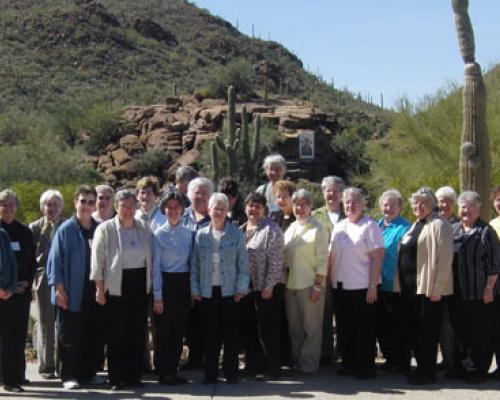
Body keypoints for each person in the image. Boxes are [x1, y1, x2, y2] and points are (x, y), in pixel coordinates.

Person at [91, 189, 152, 390]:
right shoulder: (105, 229)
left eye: (130, 206)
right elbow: (97, 262)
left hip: (140, 285)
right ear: (116, 207)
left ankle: (133, 377)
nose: (127, 210)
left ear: (136, 207)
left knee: (136, 332)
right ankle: (116, 378)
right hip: (116, 285)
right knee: (116, 334)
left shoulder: (143, 227)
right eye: (123, 206)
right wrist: (99, 289)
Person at [46, 185, 104, 389]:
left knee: (91, 333)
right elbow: (54, 263)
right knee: (69, 336)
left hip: (93, 292)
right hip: (70, 292)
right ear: (75, 203)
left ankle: (88, 373)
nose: (86, 206)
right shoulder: (65, 229)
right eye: (83, 201)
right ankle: (68, 375)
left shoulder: (99, 228)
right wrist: (60, 290)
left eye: (90, 202)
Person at [395, 187, 454, 385]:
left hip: (429, 290)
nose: (418, 206)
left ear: (432, 205)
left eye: (423, 203)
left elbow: (445, 260)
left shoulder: (440, 225)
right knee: (413, 330)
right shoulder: (415, 225)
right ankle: (421, 367)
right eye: (415, 203)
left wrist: (437, 289)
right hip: (410, 289)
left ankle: (427, 372)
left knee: (427, 332)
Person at [191, 193, 249, 384]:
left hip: (230, 292)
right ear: (209, 210)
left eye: (222, 209)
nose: (218, 212)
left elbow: (243, 263)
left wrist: (242, 287)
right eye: (215, 208)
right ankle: (211, 374)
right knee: (210, 336)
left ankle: (231, 373)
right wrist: (195, 289)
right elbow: (195, 265)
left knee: (230, 335)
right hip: (207, 293)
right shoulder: (200, 235)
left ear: (227, 212)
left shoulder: (236, 234)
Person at [330, 188, 384, 379]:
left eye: (354, 202)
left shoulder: (369, 226)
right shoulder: (339, 226)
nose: (350, 206)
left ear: (362, 205)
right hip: (340, 285)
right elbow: (332, 256)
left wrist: (372, 286)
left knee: (364, 328)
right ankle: (349, 363)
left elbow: (378, 257)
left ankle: (366, 367)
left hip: (362, 286)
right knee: (345, 327)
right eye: (347, 203)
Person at [448, 191, 500, 383]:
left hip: (480, 292)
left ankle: (477, 370)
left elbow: (495, 264)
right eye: (463, 206)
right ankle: (461, 366)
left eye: (471, 207)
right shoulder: (454, 230)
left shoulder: (486, 231)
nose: (466, 210)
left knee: (481, 332)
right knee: (460, 331)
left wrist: (489, 288)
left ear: (478, 209)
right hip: (457, 292)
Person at [240, 192, 285, 378]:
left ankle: (272, 367)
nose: (253, 209)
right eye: (250, 205)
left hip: (267, 288)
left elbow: (276, 261)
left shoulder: (272, 229)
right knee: (249, 328)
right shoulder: (240, 229)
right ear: (245, 208)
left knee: (268, 330)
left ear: (264, 209)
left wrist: (268, 287)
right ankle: (253, 365)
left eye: (257, 206)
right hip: (246, 288)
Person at [284, 189, 329, 374]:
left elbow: (322, 260)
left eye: (303, 204)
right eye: (296, 204)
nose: (299, 208)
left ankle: (309, 365)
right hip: (290, 285)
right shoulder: (291, 228)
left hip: (310, 285)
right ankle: (297, 362)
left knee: (311, 328)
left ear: (311, 206)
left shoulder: (318, 228)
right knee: (294, 327)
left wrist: (318, 285)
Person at [153, 190, 193, 385]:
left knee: (178, 331)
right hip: (165, 284)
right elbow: (155, 268)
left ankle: (173, 369)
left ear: (182, 210)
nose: (173, 210)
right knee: (163, 332)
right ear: (163, 210)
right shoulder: (158, 235)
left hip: (182, 285)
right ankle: (163, 371)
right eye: (169, 207)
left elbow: (192, 264)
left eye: (176, 207)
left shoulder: (189, 234)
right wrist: (158, 296)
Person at [0, 190, 37, 392]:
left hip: (21, 293)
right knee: (5, 337)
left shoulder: (24, 232)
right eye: (4, 204)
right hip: (2, 294)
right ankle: (8, 380)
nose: (8, 208)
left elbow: (32, 262)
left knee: (18, 336)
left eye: (11, 204)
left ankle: (18, 375)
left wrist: (26, 283)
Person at [29, 189, 66, 380]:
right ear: (43, 207)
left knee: (64, 323)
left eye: (55, 205)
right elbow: (29, 258)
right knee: (45, 323)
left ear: (61, 207)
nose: (52, 208)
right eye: (48, 205)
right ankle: (46, 366)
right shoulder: (34, 228)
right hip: (43, 278)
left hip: (64, 277)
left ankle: (63, 365)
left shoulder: (68, 226)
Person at [312, 176, 345, 366]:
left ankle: (343, 350)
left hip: (344, 273)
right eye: (328, 190)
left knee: (343, 313)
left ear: (341, 194)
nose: (331, 194)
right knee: (323, 315)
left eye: (335, 191)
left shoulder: (349, 213)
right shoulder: (316, 215)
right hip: (322, 274)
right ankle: (325, 353)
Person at [376, 189, 410, 371]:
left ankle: (401, 361)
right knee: (382, 324)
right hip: (378, 284)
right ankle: (389, 358)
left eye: (392, 205)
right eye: (385, 204)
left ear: (399, 207)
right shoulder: (378, 225)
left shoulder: (404, 227)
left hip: (395, 284)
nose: (388, 208)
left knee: (398, 324)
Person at [182, 177, 213, 370]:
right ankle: (193, 358)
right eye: (197, 192)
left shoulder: (215, 216)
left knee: (206, 319)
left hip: (208, 276)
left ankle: (207, 358)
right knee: (189, 319)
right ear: (189, 195)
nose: (200, 196)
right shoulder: (182, 215)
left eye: (204, 193)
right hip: (184, 275)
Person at [435, 186, 459, 370]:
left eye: (448, 201)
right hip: (434, 282)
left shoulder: (460, 226)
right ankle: (445, 359)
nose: (444, 205)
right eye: (441, 201)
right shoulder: (431, 224)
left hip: (455, 282)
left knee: (451, 323)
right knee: (439, 322)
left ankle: (453, 361)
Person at [0, 223, 21, 392]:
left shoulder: (3, 235)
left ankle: (10, 381)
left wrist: (11, 287)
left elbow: (12, 265)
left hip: (5, 295)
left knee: (7, 340)